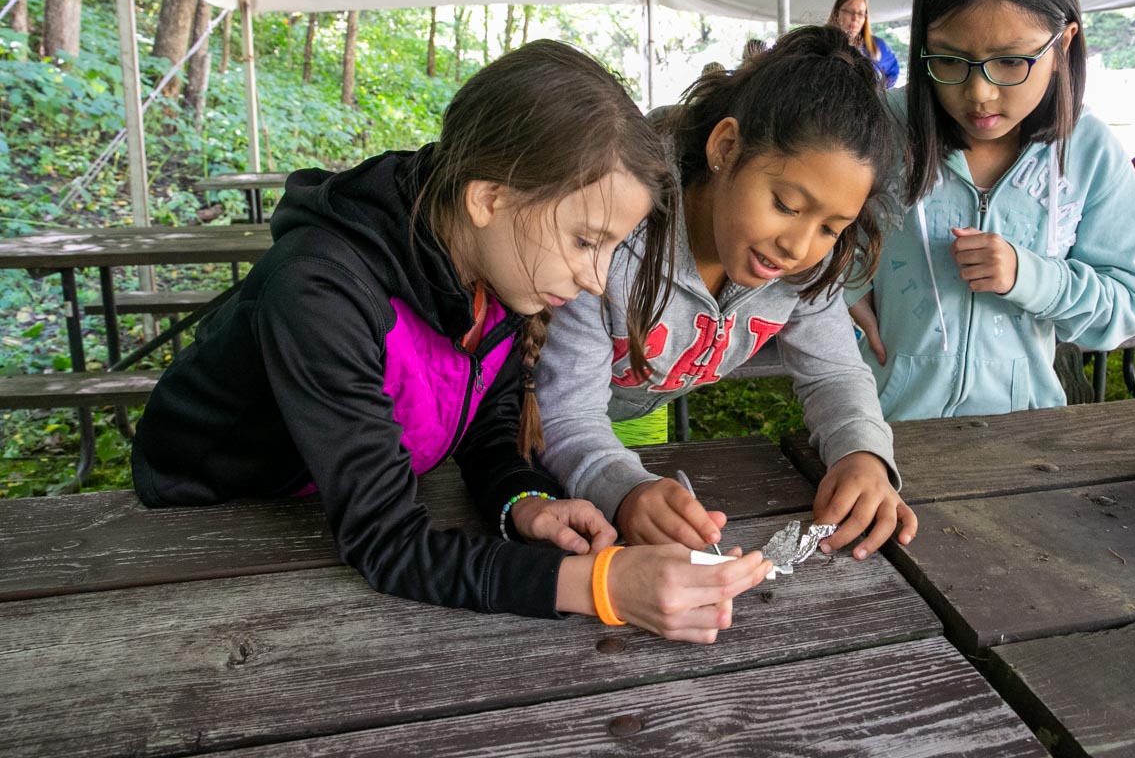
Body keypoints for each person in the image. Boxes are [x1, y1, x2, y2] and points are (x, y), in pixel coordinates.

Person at [132, 41, 773, 642]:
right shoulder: (322, 290)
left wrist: (523, 503)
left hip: (329, 512)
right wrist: (601, 585)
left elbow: (484, 422)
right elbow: (387, 543)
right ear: (488, 198)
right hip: (202, 531)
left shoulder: (496, 264)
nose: (598, 280)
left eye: (610, 250)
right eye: (585, 241)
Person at [537, 25, 917, 564]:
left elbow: (834, 372)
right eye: (785, 204)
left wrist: (862, 454)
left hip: (634, 412)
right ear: (726, 147)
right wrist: (622, 488)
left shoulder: (808, 263)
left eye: (832, 227)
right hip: (513, 429)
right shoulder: (613, 237)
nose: (798, 246)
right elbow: (566, 416)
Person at [847, 0, 1135, 419]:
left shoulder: (1088, 153)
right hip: (884, 432)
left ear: (1064, 43)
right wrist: (844, 289)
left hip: (1023, 436)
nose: (980, 93)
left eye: (1012, 61)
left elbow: (1126, 309)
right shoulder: (877, 127)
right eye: (948, 59)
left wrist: (1031, 278)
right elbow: (806, 234)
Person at [829, 0, 899, 88]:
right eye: (849, 11)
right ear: (836, 13)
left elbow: (892, 73)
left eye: (861, 14)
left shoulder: (878, 46)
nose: (855, 18)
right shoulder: (823, 42)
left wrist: (879, 95)